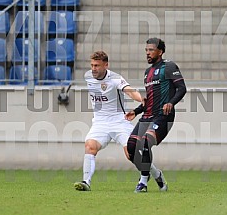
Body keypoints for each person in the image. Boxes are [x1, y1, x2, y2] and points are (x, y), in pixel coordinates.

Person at [74, 50, 160, 191]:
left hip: (119, 121)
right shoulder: (88, 76)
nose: (93, 69)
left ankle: (156, 173)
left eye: (97, 65)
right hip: (100, 123)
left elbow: (129, 91)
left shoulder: (115, 79)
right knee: (90, 146)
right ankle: (86, 182)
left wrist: (141, 99)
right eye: (92, 65)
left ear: (106, 65)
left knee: (130, 154)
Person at [125, 37, 187, 193]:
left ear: (160, 51)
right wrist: (136, 111)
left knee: (146, 141)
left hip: (163, 116)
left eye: (151, 50)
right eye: (146, 50)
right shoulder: (147, 73)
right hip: (147, 116)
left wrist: (171, 103)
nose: (147, 53)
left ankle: (143, 182)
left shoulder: (169, 66)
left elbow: (182, 89)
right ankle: (156, 174)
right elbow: (149, 100)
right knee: (131, 148)